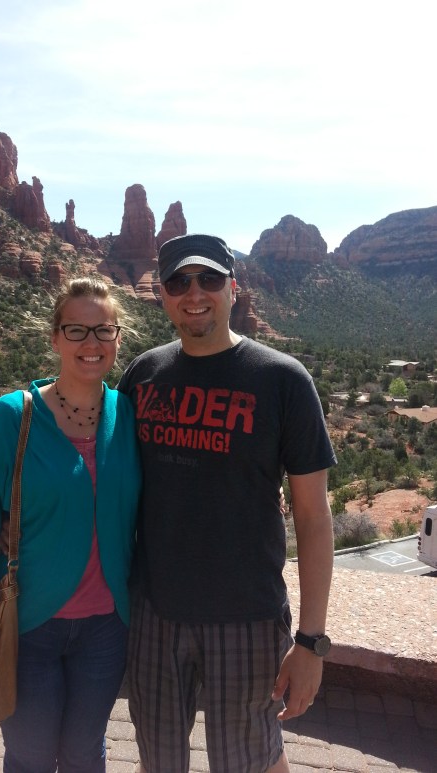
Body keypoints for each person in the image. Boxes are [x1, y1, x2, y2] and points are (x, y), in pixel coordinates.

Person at [117, 233, 336, 773]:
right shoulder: (142, 375)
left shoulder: (283, 381)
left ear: (233, 288)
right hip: (155, 613)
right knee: (158, 760)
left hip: (248, 617)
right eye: (178, 282)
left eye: (209, 279)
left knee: (252, 760)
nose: (195, 293)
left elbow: (313, 518)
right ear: (162, 296)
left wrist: (311, 642)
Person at [0, 277, 142, 773]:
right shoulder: (12, 417)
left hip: (107, 628)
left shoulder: (128, 415)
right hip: (26, 626)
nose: (91, 342)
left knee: (84, 753)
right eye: (76, 330)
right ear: (54, 338)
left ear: (118, 338)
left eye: (104, 330)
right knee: (29, 757)